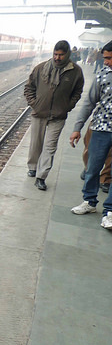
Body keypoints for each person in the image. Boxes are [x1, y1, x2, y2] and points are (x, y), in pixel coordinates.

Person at [24, 40, 84, 191]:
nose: (57, 58)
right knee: (36, 144)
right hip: (39, 113)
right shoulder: (41, 68)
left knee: (50, 147)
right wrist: (34, 103)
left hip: (58, 116)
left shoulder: (75, 71)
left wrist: (68, 106)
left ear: (68, 54)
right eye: (55, 54)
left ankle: (41, 177)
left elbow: (77, 92)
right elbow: (29, 87)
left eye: (61, 55)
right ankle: (33, 167)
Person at [69, 40, 112, 229]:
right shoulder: (103, 75)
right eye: (105, 58)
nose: (106, 62)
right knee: (93, 168)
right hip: (101, 129)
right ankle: (89, 202)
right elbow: (89, 103)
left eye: (109, 58)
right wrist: (77, 128)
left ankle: (110, 211)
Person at [79, 126, 111, 193]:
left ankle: (105, 178)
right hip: (97, 123)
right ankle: (88, 169)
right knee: (90, 149)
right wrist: (77, 128)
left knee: (110, 155)